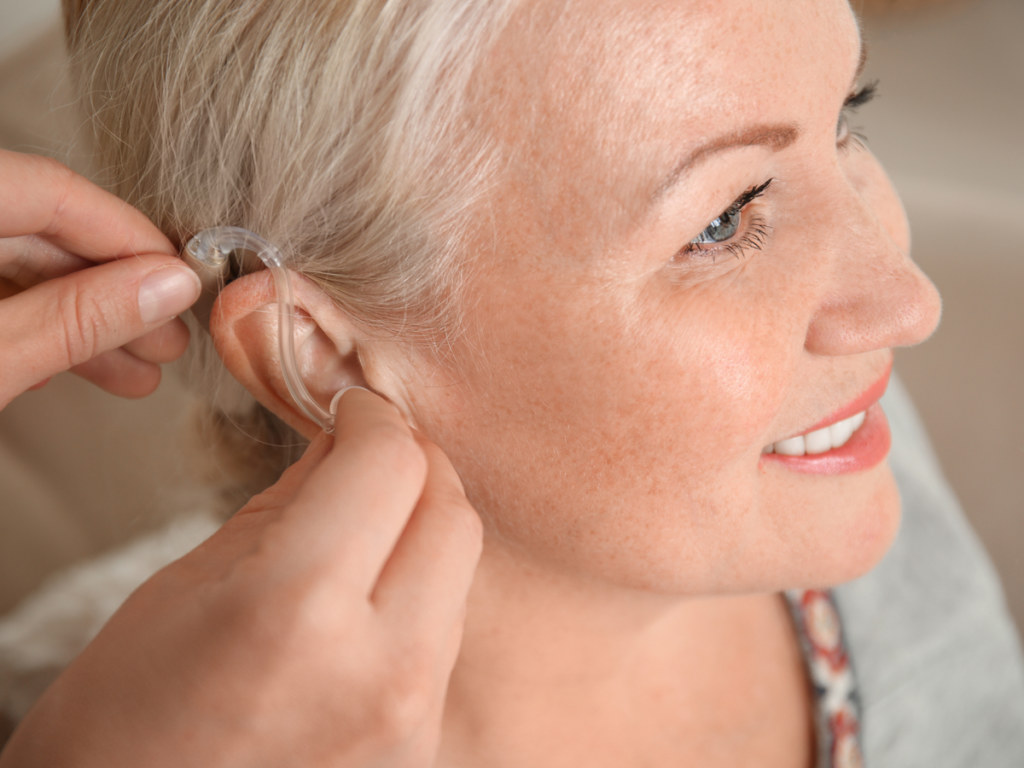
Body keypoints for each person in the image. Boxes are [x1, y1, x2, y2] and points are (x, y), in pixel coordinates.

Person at [1, 0, 1022, 765]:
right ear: (325, 354)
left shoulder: (832, 446)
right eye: (722, 221)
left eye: (847, 113)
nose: (902, 301)